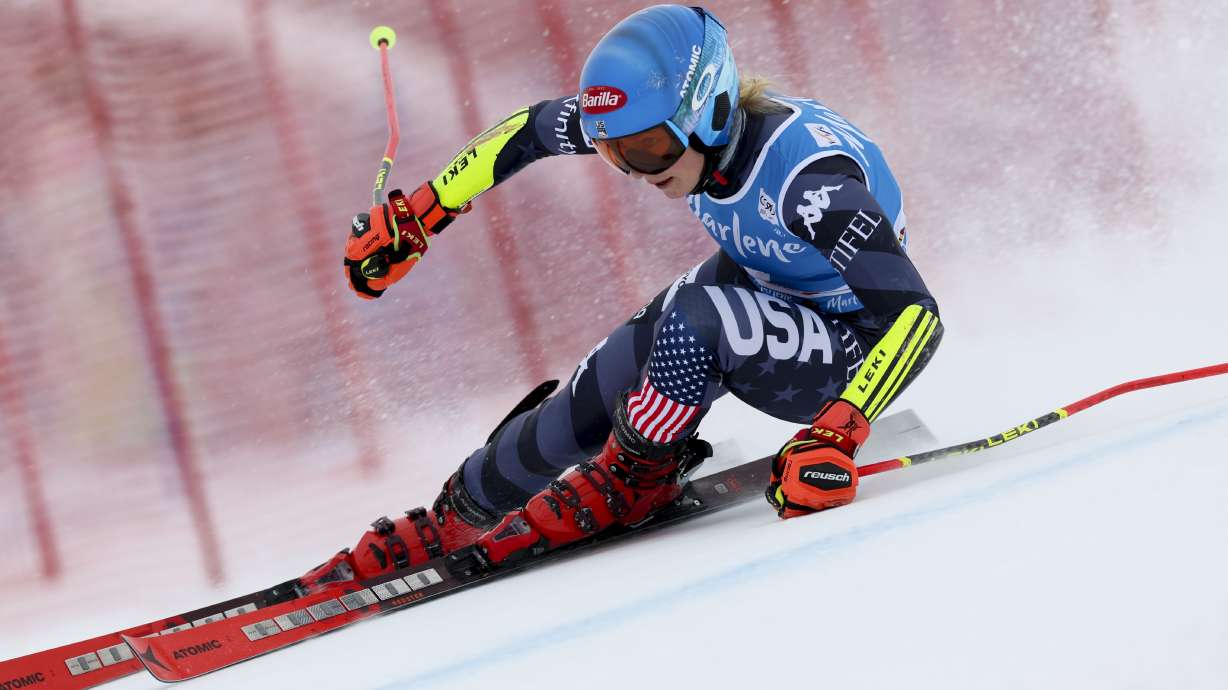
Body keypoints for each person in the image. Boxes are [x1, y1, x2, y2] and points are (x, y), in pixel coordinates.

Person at [307, 4, 941, 584]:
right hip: (765, 282)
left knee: (696, 320)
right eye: (613, 153)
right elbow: (529, 130)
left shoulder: (809, 185)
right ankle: (461, 514)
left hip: (852, 346)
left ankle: (634, 479)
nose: (636, 170)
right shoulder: (663, 126)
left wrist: (837, 435)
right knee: (598, 388)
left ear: (711, 109)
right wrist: (424, 211)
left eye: (647, 150)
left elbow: (915, 317)